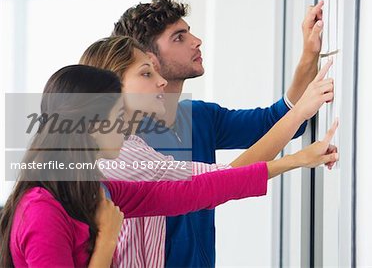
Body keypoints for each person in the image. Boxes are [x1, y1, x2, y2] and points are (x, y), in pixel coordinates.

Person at [0, 65, 338, 267]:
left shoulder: (94, 192)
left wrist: (295, 161)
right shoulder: (41, 211)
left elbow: (193, 191)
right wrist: (107, 239)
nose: (126, 122)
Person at [79, 35, 336, 267]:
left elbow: (219, 174)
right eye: (178, 37)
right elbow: (217, 180)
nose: (161, 82)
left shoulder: (141, 141)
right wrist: (295, 154)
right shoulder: (121, 156)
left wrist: (308, 60)